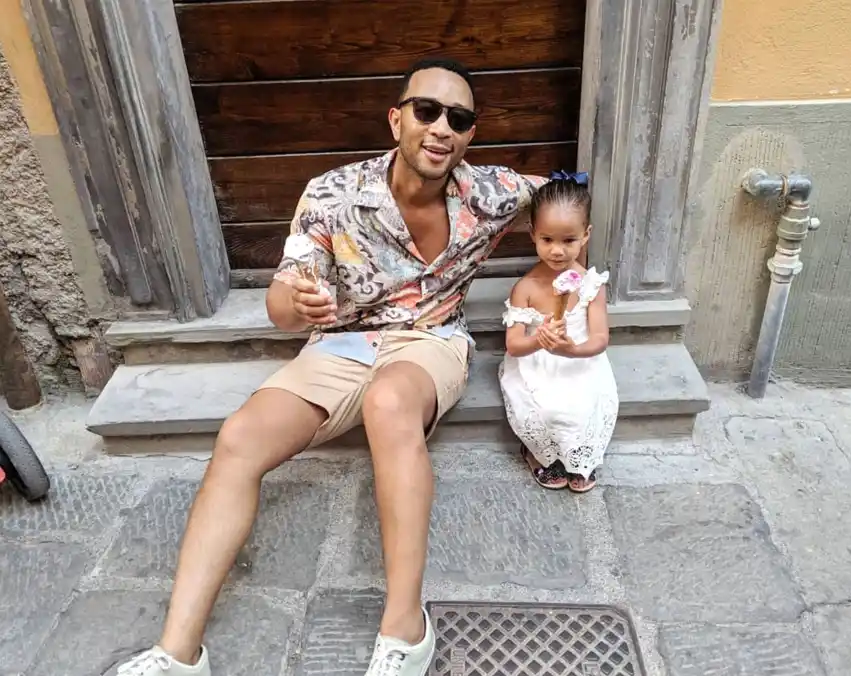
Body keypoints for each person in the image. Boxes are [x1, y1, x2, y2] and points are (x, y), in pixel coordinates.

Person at [114, 58, 543, 676]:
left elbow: (562, 193)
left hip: (429, 341)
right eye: (426, 110)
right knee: (239, 438)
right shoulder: (332, 194)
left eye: (459, 118)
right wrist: (296, 302)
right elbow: (282, 303)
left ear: (471, 134)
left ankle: (405, 628)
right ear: (396, 118)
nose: (441, 127)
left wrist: (563, 283)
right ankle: (178, 652)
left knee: (389, 404)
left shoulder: (493, 192)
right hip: (340, 342)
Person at [499, 172, 619, 493]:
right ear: (533, 235)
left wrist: (571, 350)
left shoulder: (591, 285)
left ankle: (579, 459)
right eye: (547, 239)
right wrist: (539, 339)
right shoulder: (524, 289)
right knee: (549, 407)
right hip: (535, 361)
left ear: (586, 235)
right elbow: (513, 345)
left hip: (579, 357)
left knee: (583, 402)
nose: (557, 251)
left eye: (569, 240)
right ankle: (540, 455)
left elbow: (599, 338)